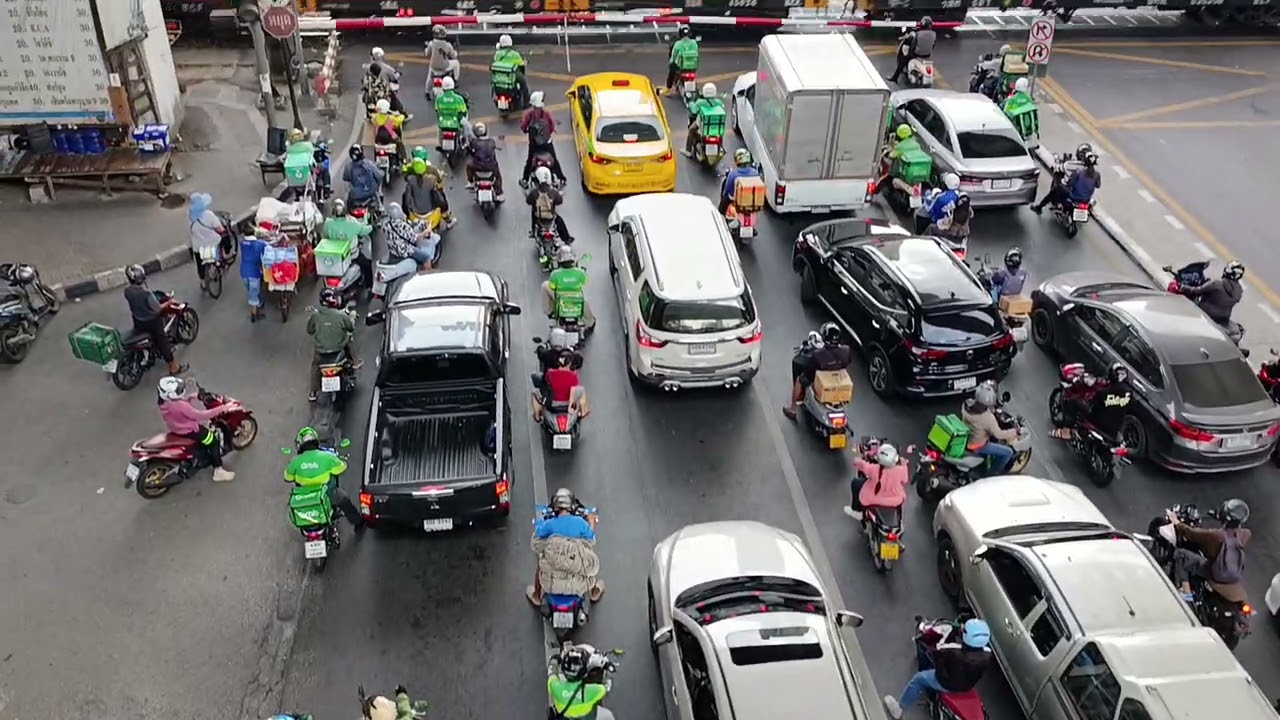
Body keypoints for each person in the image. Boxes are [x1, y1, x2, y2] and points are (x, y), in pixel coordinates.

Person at [883, 619, 993, 720]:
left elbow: (938, 649)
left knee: (918, 679)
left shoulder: (953, 650)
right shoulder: (987, 653)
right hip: (967, 685)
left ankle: (899, 708)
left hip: (946, 683)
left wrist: (952, 633)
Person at [1166, 498, 1251, 604]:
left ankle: (1187, 594)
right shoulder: (1246, 534)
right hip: (1234, 574)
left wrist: (1176, 522)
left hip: (1214, 572)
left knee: (1180, 554)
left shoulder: (1215, 535)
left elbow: (1191, 533)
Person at [527, 488, 599, 606]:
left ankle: (536, 595)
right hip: (579, 583)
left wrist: (540, 522)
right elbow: (591, 540)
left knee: (541, 562)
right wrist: (591, 522)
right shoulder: (580, 523)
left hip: (550, 583)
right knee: (590, 559)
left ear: (556, 507)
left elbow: (536, 541)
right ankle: (594, 592)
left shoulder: (550, 524)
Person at [284, 426, 365, 531]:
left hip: (304, 498)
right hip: (327, 495)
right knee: (344, 500)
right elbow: (341, 467)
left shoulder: (295, 462)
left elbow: (287, 477)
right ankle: (357, 522)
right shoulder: (327, 457)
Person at [157, 376, 234, 482]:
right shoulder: (181, 406)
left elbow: (177, 407)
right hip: (190, 430)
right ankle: (218, 471)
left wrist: (188, 398)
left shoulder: (163, 402)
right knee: (213, 441)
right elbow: (200, 416)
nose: (182, 391)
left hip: (175, 428)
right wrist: (221, 408)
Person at [124, 264, 187, 375]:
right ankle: (173, 367)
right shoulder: (146, 294)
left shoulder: (127, 291)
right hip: (151, 322)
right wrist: (169, 302)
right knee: (163, 341)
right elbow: (157, 308)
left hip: (138, 320)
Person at [784, 322, 852, 420]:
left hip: (822, 377)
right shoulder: (846, 350)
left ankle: (793, 409)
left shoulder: (818, 354)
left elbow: (809, 368)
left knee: (800, 380)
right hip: (837, 378)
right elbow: (847, 362)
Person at [1051, 362, 1132, 441]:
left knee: (1073, 402)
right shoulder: (1130, 394)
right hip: (1115, 428)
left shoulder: (1104, 392)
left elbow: (1094, 403)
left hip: (1099, 422)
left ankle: (1066, 433)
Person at [306, 288, 361, 402]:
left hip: (320, 352)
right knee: (349, 335)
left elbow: (310, 330)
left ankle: (313, 392)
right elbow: (350, 327)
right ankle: (355, 361)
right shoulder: (340, 315)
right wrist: (352, 315)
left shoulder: (315, 316)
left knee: (315, 366)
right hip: (338, 348)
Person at [960, 381, 1019, 475]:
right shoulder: (987, 418)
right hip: (978, 446)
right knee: (1008, 452)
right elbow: (999, 434)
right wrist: (1014, 431)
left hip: (965, 439)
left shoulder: (966, 405)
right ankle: (992, 474)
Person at [843, 442, 911, 522]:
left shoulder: (874, 469)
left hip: (874, 499)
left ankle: (857, 511)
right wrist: (903, 463)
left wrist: (857, 459)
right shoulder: (900, 470)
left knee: (855, 483)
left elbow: (860, 464)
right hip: (895, 499)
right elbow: (905, 480)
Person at [322, 198, 374, 293]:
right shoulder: (352, 222)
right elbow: (364, 230)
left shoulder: (328, 223)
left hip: (335, 257)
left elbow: (324, 238)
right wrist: (372, 225)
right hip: (352, 255)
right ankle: (370, 286)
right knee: (367, 265)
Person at [543, 244, 596, 332]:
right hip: (577, 299)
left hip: (561, 299)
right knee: (585, 306)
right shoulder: (580, 273)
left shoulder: (555, 274)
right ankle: (590, 322)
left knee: (545, 285)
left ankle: (549, 311)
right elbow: (585, 283)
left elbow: (552, 287)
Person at [1180, 260, 1245, 327]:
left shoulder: (1217, 284)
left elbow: (1196, 290)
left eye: (1228, 270)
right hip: (1223, 318)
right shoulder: (1239, 291)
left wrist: (1183, 286)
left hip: (1205, 312)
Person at [1033, 151, 1101, 214]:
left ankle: (1039, 207)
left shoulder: (1078, 172)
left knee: (1057, 189)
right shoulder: (1097, 174)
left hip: (1074, 197)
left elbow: (1070, 183)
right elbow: (1098, 185)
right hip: (1086, 200)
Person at [520, 92, 566, 185]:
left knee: (530, 161)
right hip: (547, 143)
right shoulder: (546, 114)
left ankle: (525, 179)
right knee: (554, 159)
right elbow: (552, 126)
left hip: (534, 144)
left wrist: (527, 131)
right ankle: (561, 178)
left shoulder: (529, 114)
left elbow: (523, 127)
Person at [532, 350, 590, 424]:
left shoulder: (550, 373)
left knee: (535, 393)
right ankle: (583, 411)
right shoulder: (574, 376)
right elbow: (575, 389)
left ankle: (537, 417)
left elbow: (545, 382)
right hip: (568, 404)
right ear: (569, 364)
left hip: (553, 404)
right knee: (581, 390)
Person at [188, 192, 230, 289]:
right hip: (212, 243)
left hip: (198, 246)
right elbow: (219, 229)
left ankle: (202, 280)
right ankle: (226, 254)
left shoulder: (190, 216)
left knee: (200, 264)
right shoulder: (208, 215)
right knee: (224, 235)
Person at [382, 203, 440, 272]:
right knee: (426, 258)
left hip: (393, 250)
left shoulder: (385, 223)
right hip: (404, 250)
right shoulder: (401, 225)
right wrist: (424, 233)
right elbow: (414, 238)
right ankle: (428, 273)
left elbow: (409, 226)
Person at [526, 166, 573, 242]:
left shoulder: (534, 192)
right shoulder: (553, 192)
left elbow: (528, 201)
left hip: (538, 217)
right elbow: (560, 201)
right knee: (560, 221)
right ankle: (566, 238)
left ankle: (533, 231)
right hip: (551, 217)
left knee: (533, 212)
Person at [887, 16, 936, 84]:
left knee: (902, 61)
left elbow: (913, 46)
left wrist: (909, 54)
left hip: (917, 54)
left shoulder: (918, 34)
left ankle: (895, 77)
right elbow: (933, 46)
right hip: (928, 55)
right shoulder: (934, 34)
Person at [681, 82, 723, 158]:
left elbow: (694, 111)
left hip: (701, 123)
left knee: (691, 130)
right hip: (715, 125)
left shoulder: (700, 102)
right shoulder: (718, 102)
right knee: (720, 133)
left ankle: (688, 151)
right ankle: (721, 148)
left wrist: (690, 102)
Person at [465, 122, 505, 201]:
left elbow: (469, 150)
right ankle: (498, 192)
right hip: (491, 166)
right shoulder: (491, 141)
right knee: (498, 176)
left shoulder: (474, 142)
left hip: (477, 166)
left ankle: (471, 182)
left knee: (468, 166)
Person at [433, 76, 473, 147]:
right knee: (468, 126)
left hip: (443, 120)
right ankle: (468, 142)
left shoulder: (438, 98)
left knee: (439, 129)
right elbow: (463, 111)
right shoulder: (458, 98)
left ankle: (439, 144)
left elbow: (437, 110)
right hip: (456, 120)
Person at [719, 148, 760, 216]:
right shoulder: (755, 172)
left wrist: (724, 196)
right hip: (750, 201)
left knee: (721, 208)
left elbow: (727, 189)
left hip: (734, 200)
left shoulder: (733, 174)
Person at [240, 225, 268, 323]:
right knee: (253, 294)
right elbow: (266, 253)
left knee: (251, 291)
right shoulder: (260, 244)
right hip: (254, 272)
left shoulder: (242, 243)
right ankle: (254, 315)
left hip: (243, 271)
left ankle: (259, 304)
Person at [342, 145, 384, 210]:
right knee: (379, 206)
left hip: (355, 198)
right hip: (371, 195)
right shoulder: (369, 164)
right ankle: (380, 207)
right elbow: (379, 176)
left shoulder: (348, 167)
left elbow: (347, 186)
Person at [492, 34, 529, 106]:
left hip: (499, 77)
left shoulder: (497, 53)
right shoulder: (515, 54)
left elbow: (496, 61)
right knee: (523, 84)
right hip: (512, 75)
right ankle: (526, 103)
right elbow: (521, 64)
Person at [370, 98, 407, 163]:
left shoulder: (375, 118)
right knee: (400, 143)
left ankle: (375, 160)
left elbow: (371, 119)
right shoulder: (391, 118)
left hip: (378, 139)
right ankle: (404, 159)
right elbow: (401, 118)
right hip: (391, 139)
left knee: (375, 149)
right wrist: (401, 115)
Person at [664, 25, 699, 95]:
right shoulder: (694, 43)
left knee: (672, 71)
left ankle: (668, 88)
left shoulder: (678, 44)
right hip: (693, 67)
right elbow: (697, 53)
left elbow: (673, 56)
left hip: (681, 67)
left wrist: (671, 62)